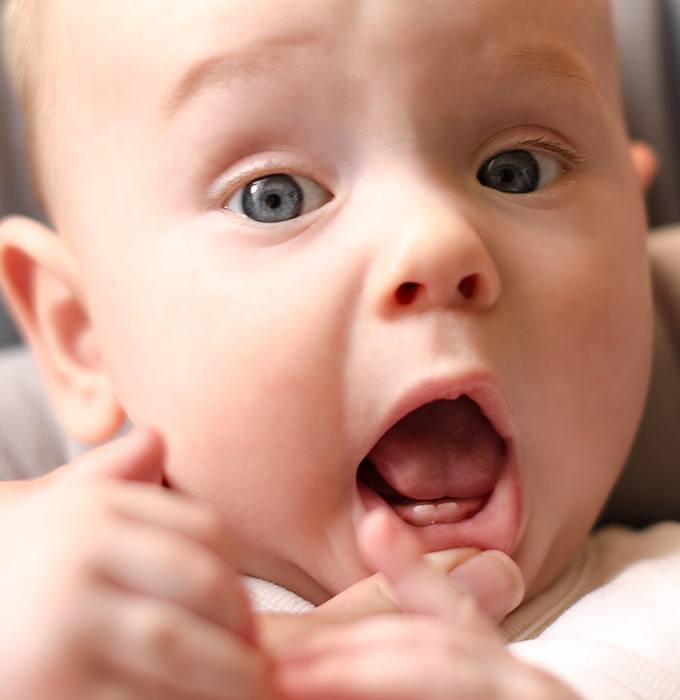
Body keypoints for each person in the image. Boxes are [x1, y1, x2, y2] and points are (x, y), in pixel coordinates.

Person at [0, 0, 677, 698]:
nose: (436, 238)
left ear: (634, 224)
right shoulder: (61, 625)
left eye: (516, 170)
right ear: (80, 333)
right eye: (275, 197)